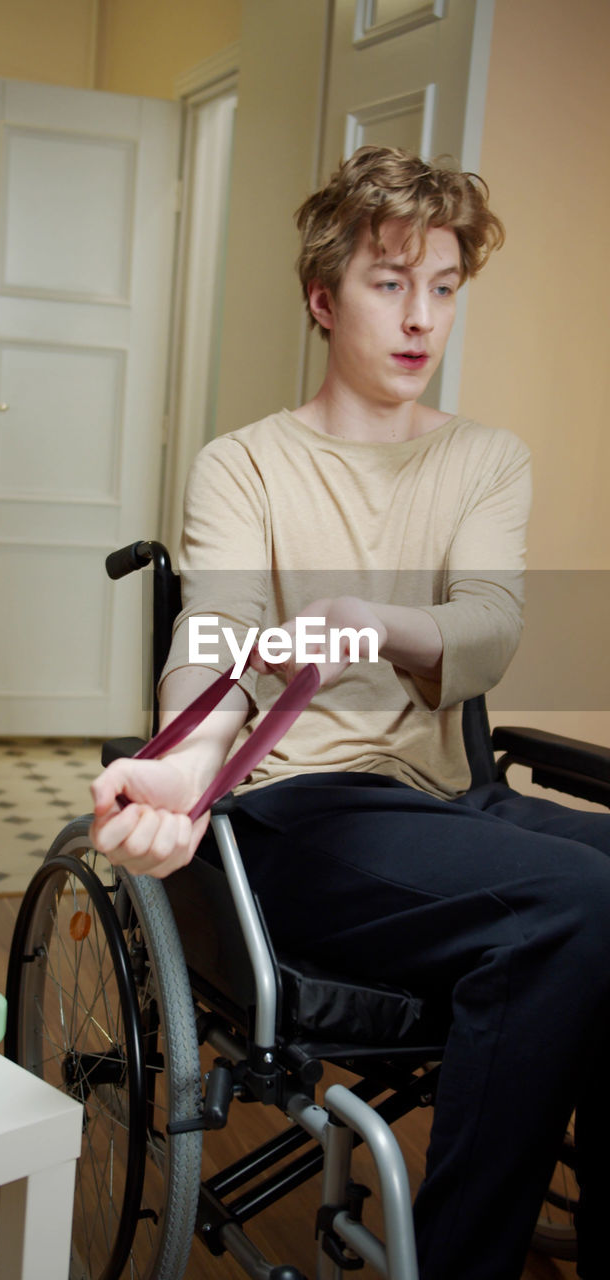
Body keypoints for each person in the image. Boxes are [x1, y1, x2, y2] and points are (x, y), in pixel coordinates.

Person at [91, 146, 610, 1280]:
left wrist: (368, 621)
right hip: (298, 814)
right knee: (583, 895)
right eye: (389, 282)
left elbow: (486, 629)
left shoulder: (485, 459)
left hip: (448, 799)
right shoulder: (248, 466)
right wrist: (183, 756)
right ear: (324, 298)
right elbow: (218, 642)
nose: (422, 316)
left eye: (444, 285)